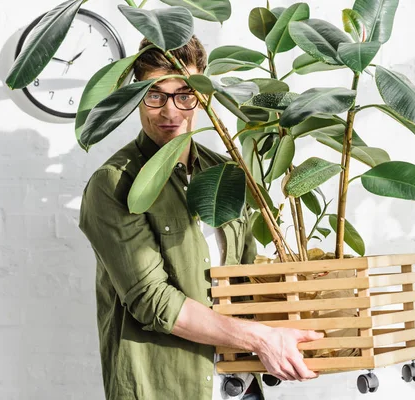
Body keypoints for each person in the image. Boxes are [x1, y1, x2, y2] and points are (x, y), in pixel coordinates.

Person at [78, 35, 323, 400]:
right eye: (155, 94)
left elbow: (245, 276)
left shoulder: (226, 171)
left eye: (185, 94)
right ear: (136, 96)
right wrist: (260, 339)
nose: (170, 111)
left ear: (203, 94)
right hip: (163, 388)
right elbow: (152, 302)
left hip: (239, 386)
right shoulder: (115, 184)